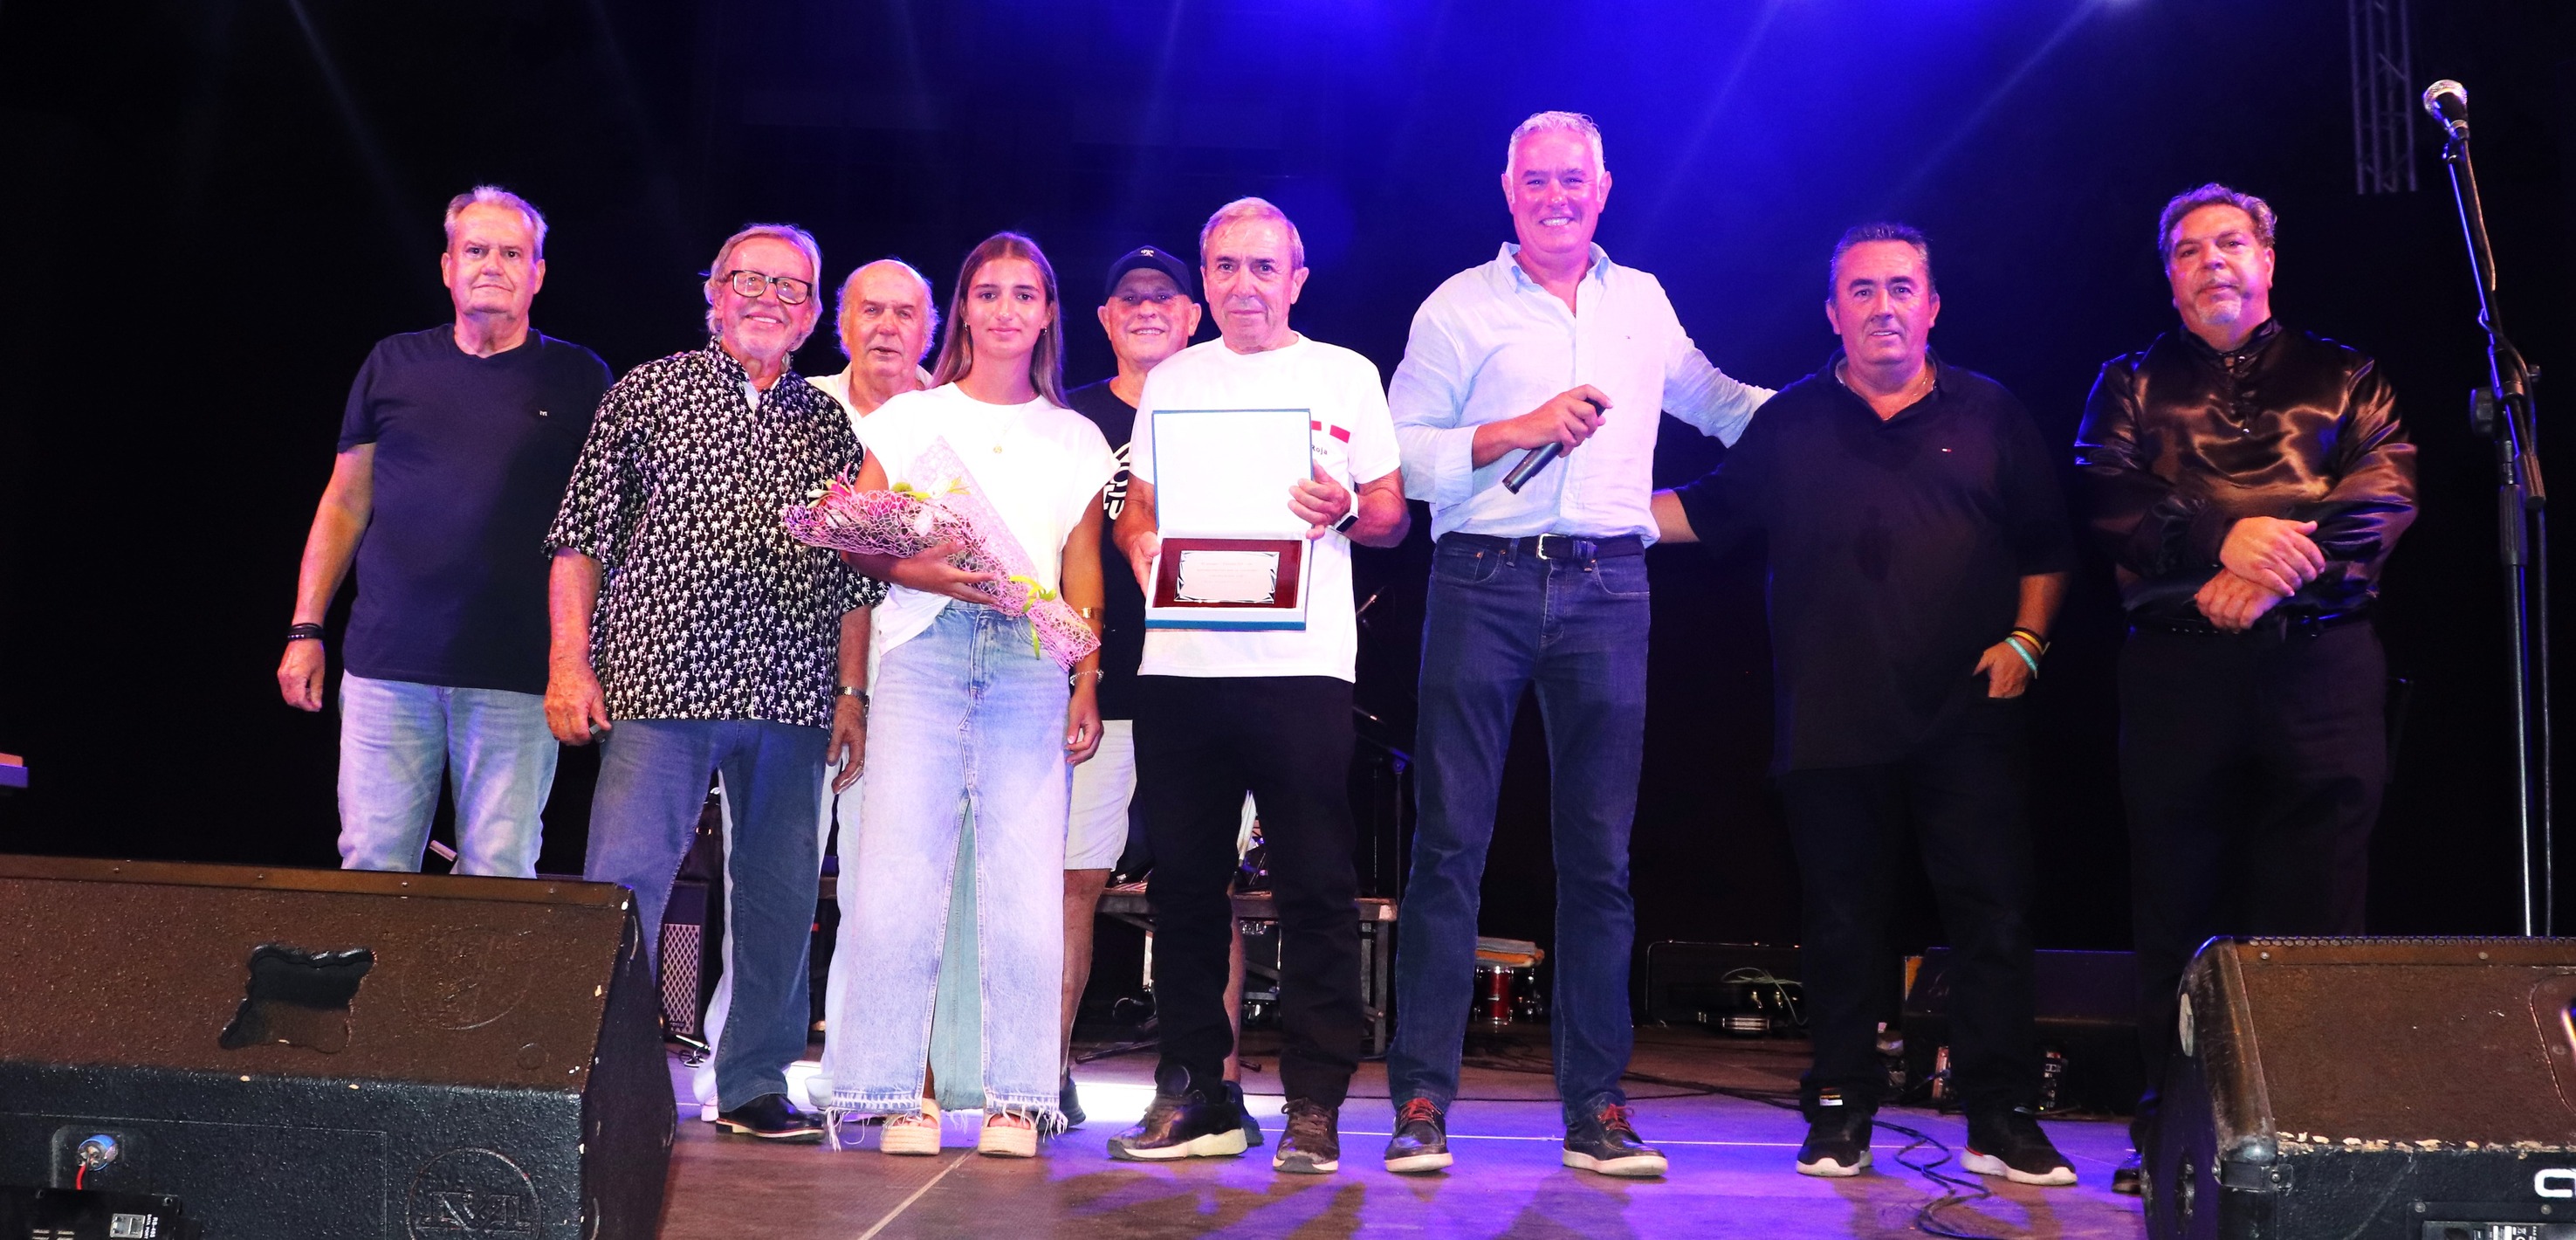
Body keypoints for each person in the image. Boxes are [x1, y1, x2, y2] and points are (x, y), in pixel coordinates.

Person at [1382, 110, 1772, 1177]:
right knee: (1448, 848)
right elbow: (1399, 457)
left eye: (1573, 180)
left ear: (1603, 188)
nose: (1555, 196)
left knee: (1597, 859)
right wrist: (1516, 425)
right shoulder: (1457, 306)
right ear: (1506, 190)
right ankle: (1419, 1099)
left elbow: (1722, 405)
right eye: (1535, 181)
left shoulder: (1640, 300)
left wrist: (1837, 417)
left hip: (1610, 587)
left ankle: (1594, 1110)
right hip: (1480, 580)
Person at [1652, 223, 2079, 1187]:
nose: (1881, 306)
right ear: (1832, 311)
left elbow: (2048, 548)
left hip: (1968, 713)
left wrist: (2026, 640)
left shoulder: (1991, 412)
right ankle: (1839, 1111)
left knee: (1991, 919)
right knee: (1843, 926)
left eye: (1899, 288)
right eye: (1860, 290)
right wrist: (1581, 506)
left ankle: (2000, 1117)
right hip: (1830, 718)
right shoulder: (1790, 422)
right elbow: (1704, 509)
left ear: (1930, 306)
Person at [2072, 183, 2415, 1192]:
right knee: (2175, 903)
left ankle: (2312, 1135)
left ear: (2267, 259)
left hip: (2320, 666)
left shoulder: (2345, 372)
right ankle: (2170, 1139)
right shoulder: (2126, 381)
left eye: (2229, 242)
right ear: (2168, 274)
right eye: (2187, 249)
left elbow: (2384, 496)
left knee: (2318, 904)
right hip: (2179, 672)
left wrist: (2256, 578)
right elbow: (2106, 493)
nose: (2210, 261)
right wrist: (2221, 540)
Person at [543, 223, 880, 1142]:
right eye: (750, 279)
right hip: (662, 682)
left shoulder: (827, 423)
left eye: (792, 287)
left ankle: (753, 1083)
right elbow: (578, 537)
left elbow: (856, 572)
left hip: (792, 693)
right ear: (714, 293)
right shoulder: (647, 391)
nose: (769, 298)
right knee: (624, 886)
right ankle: (601, 1081)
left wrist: (851, 694)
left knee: (775, 898)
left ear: (812, 313)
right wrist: (568, 663)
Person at [1108, 198, 1408, 1175]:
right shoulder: (1172, 380)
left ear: (1297, 278)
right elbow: (1136, 509)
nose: (1244, 284)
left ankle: (1315, 1104)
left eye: (1263, 267)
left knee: (1316, 888)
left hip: (1300, 668)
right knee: (1185, 887)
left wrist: (1348, 505)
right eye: (1226, 267)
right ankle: (1198, 1091)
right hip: (1182, 666)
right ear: (1206, 280)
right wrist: (1143, 547)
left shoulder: (1343, 375)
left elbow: (1394, 518)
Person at [824, 232, 1115, 1160]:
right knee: (897, 872)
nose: (1003, 310)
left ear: (1045, 313)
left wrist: (1086, 678)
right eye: (986, 293)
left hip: (1032, 662)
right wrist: (932, 574)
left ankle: (1015, 1099)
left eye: (1022, 295)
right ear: (964, 309)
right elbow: (858, 540)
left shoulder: (1075, 436)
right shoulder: (909, 419)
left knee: (1026, 879)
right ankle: (892, 1093)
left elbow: (1082, 572)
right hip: (921, 645)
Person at [279, 186, 608, 878]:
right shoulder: (392, 364)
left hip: (519, 673)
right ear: (447, 265)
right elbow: (343, 503)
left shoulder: (580, 377)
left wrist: (576, 661)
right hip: (386, 667)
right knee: (372, 863)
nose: (493, 264)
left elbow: (603, 528)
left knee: (500, 869)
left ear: (538, 273)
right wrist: (306, 629)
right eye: (476, 250)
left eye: (512, 252)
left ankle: (471, 997)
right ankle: (378, 995)